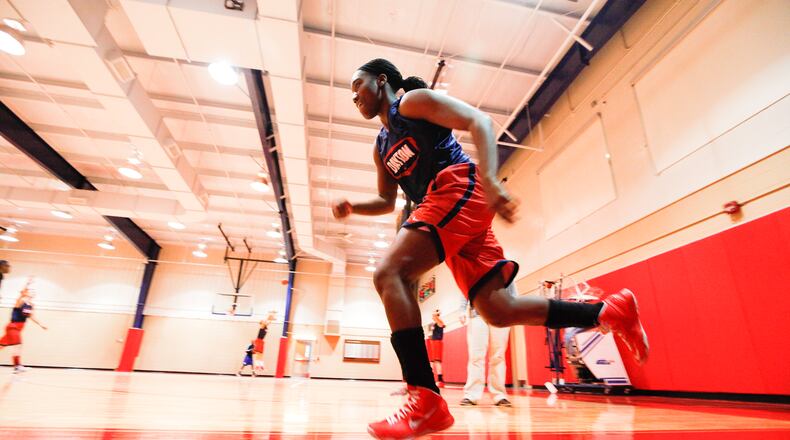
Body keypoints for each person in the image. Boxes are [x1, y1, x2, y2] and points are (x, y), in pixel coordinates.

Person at [333, 58, 649, 439]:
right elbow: (386, 201)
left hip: (457, 186)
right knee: (498, 310)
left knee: (388, 273)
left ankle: (425, 399)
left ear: (381, 80)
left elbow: (478, 121)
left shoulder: (411, 103)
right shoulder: (381, 146)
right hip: (447, 207)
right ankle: (608, 311)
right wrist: (353, 207)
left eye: (357, 85)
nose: (354, 95)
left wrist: (491, 181)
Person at [459, 285, 514, 407]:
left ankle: (499, 394)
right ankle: (471, 394)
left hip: (501, 314)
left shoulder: (505, 271)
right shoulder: (474, 271)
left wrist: (514, 312)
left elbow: (512, 292)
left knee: (498, 356)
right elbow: (465, 288)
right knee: (476, 356)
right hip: (477, 314)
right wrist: (462, 309)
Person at [0, 278, 47, 373]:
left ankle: (17, 366)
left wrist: (40, 324)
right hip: (13, 327)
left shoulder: (31, 305)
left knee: (1, 345)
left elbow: (31, 316)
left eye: (34, 291)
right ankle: (17, 366)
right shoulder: (20, 301)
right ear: (27, 293)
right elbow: (22, 293)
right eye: (31, 291)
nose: (33, 292)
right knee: (18, 345)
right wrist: (27, 284)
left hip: (18, 328)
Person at [427, 309, 445, 387]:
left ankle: (440, 380)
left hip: (437, 342)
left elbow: (439, 320)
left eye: (433, 315)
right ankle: (429, 378)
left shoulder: (440, 322)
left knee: (437, 361)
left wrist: (436, 314)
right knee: (431, 362)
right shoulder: (433, 325)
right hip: (432, 343)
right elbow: (430, 335)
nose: (432, 316)